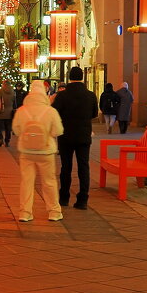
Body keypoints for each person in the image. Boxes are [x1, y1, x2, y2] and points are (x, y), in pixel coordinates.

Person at [12, 80, 64, 222]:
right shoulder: (50, 111)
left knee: (27, 182)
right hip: (46, 151)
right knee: (49, 181)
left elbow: (16, 130)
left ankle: (25, 212)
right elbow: (58, 131)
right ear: (44, 92)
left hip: (26, 151)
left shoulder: (22, 110)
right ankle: (54, 212)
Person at [52, 66, 99, 210]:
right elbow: (94, 114)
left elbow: (55, 113)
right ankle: (82, 199)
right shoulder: (91, 95)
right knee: (83, 167)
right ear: (82, 78)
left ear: (69, 77)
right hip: (84, 135)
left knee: (66, 167)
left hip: (65, 135)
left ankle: (64, 197)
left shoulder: (62, 95)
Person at [0, 80, 15, 147]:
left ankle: (1, 138)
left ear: (3, 84)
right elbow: (14, 102)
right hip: (9, 113)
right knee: (8, 128)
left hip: (0, 112)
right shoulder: (12, 92)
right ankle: (7, 141)